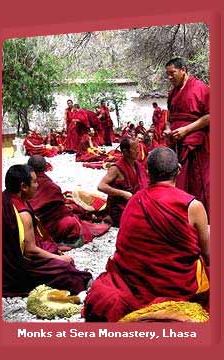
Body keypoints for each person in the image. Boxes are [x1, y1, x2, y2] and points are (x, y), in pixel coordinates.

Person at [84, 147, 209, 322]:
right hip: (176, 286)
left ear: (148, 172)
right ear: (179, 170)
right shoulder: (192, 205)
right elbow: (207, 253)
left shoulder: (135, 200)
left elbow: (123, 247)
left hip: (133, 283)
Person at [3, 164, 92, 297]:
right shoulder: (23, 214)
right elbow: (30, 251)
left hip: (3, 257)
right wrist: (59, 259)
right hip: (16, 268)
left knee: (51, 248)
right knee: (68, 271)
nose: (37, 186)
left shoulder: (4, 198)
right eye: (34, 182)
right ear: (23, 186)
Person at [27, 155, 110, 248]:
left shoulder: (23, 184)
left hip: (27, 225)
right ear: (45, 167)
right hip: (45, 227)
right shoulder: (51, 186)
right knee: (72, 220)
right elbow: (62, 212)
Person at [163, 57, 210, 220]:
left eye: (172, 73)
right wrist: (168, 129)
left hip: (196, 142)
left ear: (183, 69)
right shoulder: (172, 93)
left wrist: (187, 129)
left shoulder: (201, 88)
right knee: (179, 178)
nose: (169, 77)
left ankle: (201, 215)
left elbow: (211, 115)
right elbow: (170, 117)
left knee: (197, 179)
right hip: (177, 142)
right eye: (167, 74)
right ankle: (181, 213)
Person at [97, 137, 148, 227]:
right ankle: (111, 218)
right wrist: (123, 193)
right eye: (135, 149)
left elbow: (146, 180)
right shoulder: (116, 168)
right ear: (125, 151)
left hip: (136, 203)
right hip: (121, 208)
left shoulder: (137, 165)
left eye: (138, 148)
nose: (138, 151)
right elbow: (101, 186)